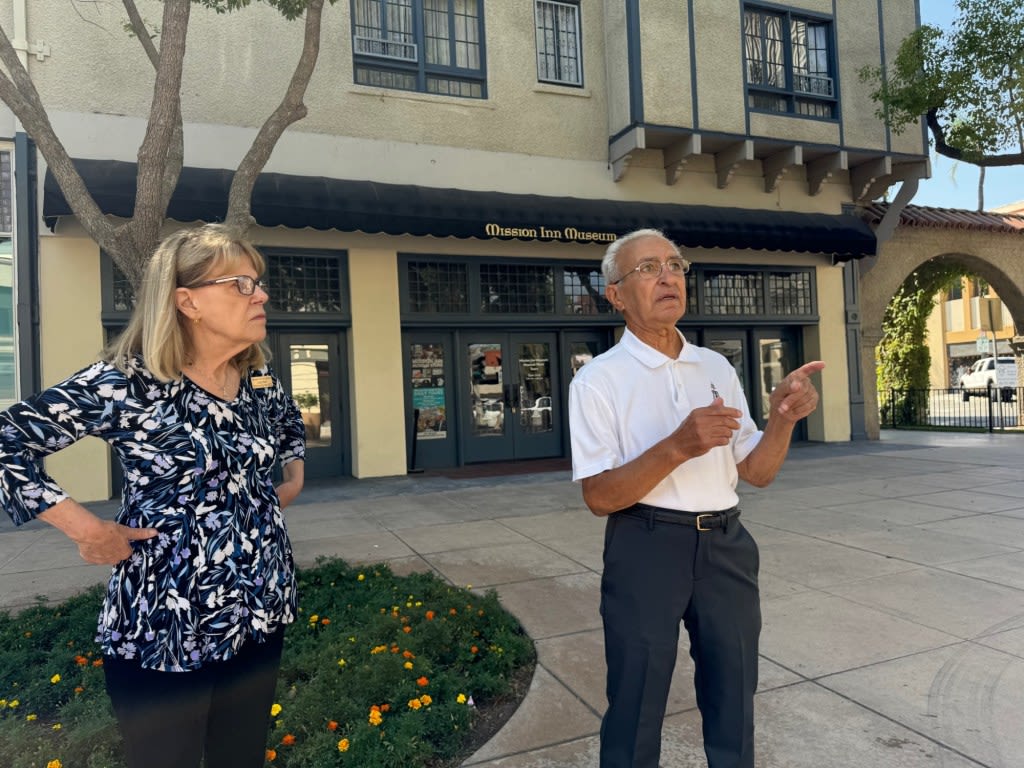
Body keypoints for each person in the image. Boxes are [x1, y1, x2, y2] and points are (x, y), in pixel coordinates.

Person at [0, 224, 306, 768]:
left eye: (257, 283)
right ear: (186, 300)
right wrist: (86, 529)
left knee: (241, 758)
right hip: (166, 626)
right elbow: (7, 442)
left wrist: (294, 473)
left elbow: (287, 425)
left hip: (258, 612)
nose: (260, 295)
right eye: (240, 283)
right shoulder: (125, 383)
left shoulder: (256, 376)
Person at [568, 229, 823, 768]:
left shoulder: (716, 367)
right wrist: (678, 446)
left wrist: (781, 420)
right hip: (646, 546)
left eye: (676, 265)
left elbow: (755, 471)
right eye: (648, 268)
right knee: (635, 703)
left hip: (726, 546)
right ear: (615, 294)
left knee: (734, 699)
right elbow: (598, 496)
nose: (667, 277)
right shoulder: (598, 381)